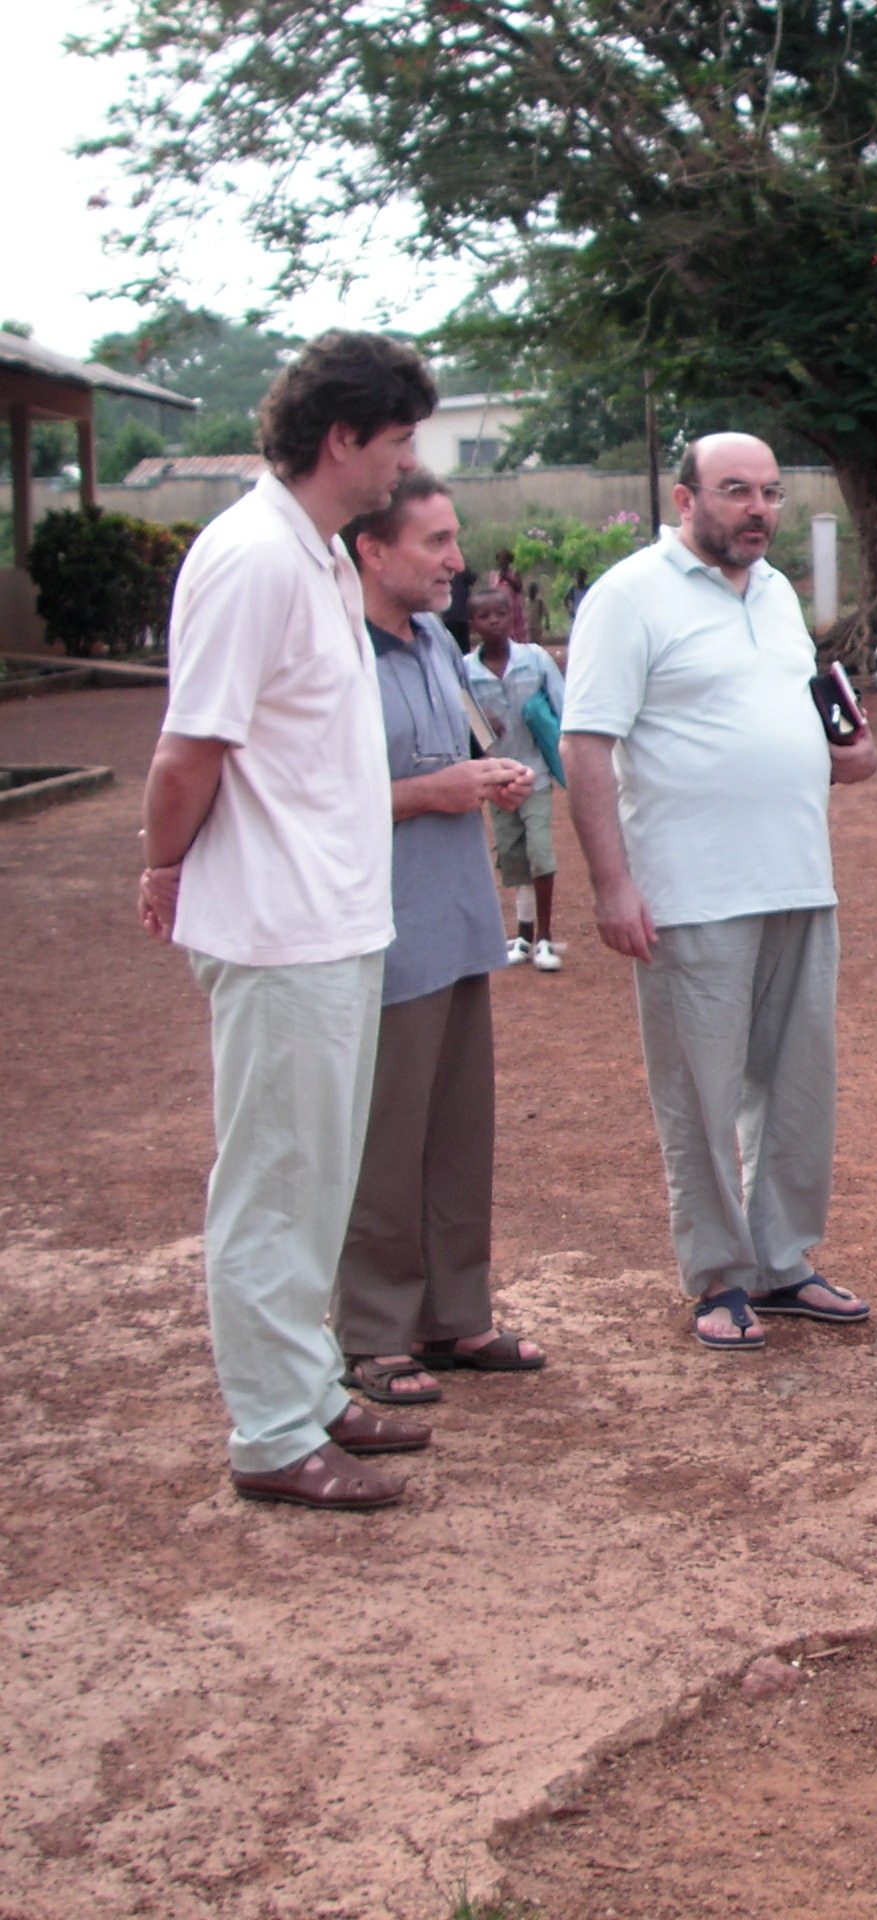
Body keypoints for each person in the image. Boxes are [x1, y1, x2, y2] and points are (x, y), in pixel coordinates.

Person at [136, 329, 441, 1509]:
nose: (407, 464)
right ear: (342, 439)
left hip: (335, 921)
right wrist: (163, 865)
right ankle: (269, 1433)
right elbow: (187, 753)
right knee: (273, 1182)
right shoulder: (253, 559)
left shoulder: (314, 555)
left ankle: (305, 1388)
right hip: (276, 929)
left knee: (317, 1179)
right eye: (398, 440)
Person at [560, 433, 877, 1351]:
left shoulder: (776, 593)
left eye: (771, 493)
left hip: (797, 879)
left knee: (796, 1085)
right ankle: (718, 1277)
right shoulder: (629, 596)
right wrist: (612, 886)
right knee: (699, 1095)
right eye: (736, 490)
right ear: (684, 498)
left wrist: (846, 753)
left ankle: (782, 1262)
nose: (758, 510)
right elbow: (586, 745)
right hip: (690, 893)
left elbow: (794, 714)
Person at [333, 470, 550, 1407]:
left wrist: (489, 777)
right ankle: (374, 1331)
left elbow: (455, 753)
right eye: (436, 542)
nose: (457, 562)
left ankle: (456, 1314)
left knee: (458, 1135)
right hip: (380, 930)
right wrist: (434, 793)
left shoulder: (432, 642)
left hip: (458, 923)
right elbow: (311, 800)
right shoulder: (334, 651)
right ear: (372, 550)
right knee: (385, 1141)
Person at [461, 583, 569, 969]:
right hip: (497, 778)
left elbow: (562, 704)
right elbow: (462, 714)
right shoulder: (466, 670)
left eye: (500, 613)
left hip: (534, 774)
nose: (494, 621)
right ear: (472, 624)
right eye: (484, 616)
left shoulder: (534, 659)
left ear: (512, 617)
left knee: (540, 851)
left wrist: (565, 753)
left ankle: (545, 938)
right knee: (512, 855)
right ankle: (523, 934)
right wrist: (480, 723)